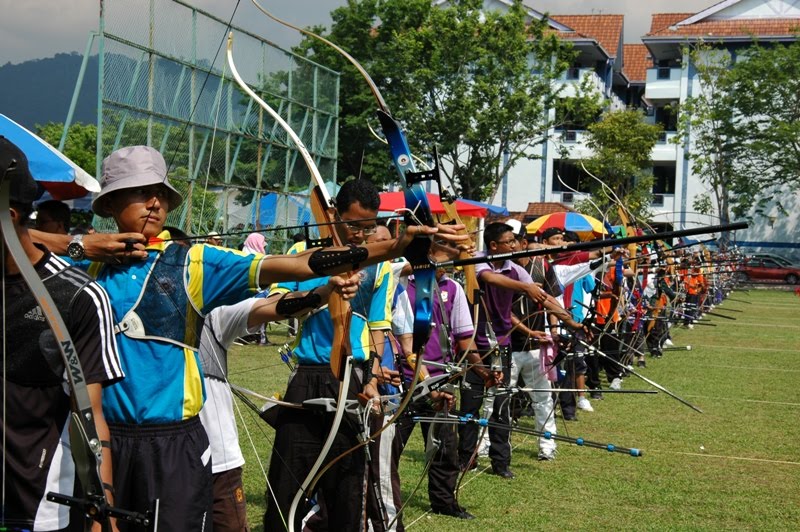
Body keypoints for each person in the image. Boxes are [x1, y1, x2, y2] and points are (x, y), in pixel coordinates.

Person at [30, 146, 466, 530]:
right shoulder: (81, 269)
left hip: (171, 442)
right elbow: (16, 240)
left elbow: (294, 266)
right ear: (108, 205)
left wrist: (394, 247)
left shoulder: (191, 262)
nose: (154, 202)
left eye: (160, 193)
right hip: (97, 438)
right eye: (138, 193)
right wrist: (81, 245)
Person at [0, 137, 124, 531]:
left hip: (40, 505)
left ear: (11, 214)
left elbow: (90, 413)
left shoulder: (77, 297)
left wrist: (101, 510)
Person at [394, 266, 482, 520]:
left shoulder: (452, 288)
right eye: (441, 255)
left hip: (440, 380)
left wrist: (482, 369)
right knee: (388, 446)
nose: (447, 263)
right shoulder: (399, 280)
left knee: (445, 446)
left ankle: (444, 501)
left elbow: (464, 335)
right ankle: (379, 499)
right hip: (401, 381)